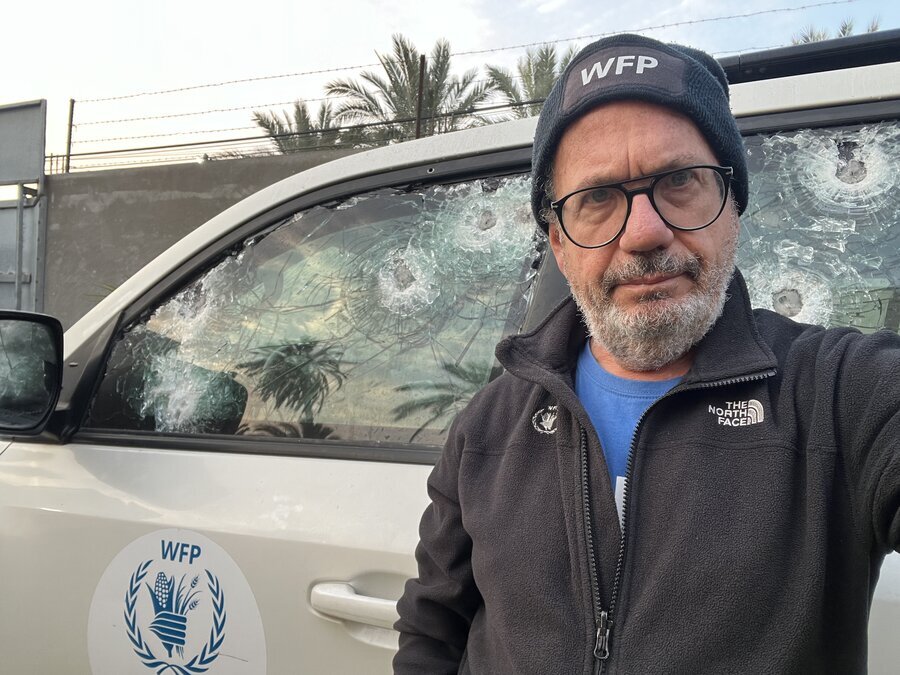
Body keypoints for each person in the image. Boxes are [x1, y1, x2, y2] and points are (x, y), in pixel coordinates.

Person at [393, 33, 900, 674]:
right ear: (558, 241)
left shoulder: (835, 395)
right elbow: (431, 631)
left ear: (732, 207)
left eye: (681, 181)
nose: (643, 233)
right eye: (597, 198)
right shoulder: (488, 426)